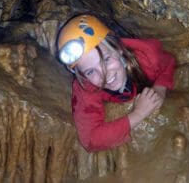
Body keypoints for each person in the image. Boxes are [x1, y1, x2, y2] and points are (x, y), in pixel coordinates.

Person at [57, 14, 176, 152]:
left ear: (118, 49)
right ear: (83, 75)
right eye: (90, 71)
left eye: (106, 59)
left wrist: (160, 88)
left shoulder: (147, 57)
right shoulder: (85, 87)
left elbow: (169, 62)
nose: (104, 74)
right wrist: (138, 114)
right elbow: (90, 140)